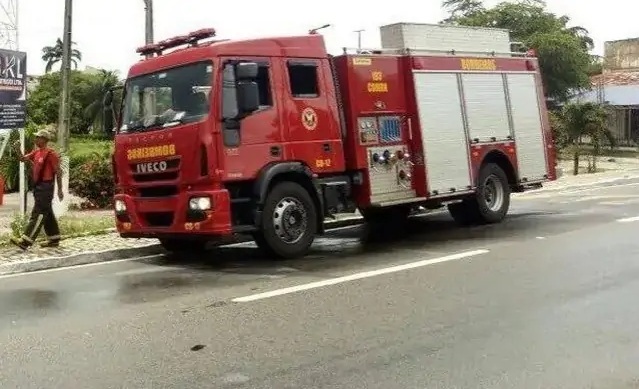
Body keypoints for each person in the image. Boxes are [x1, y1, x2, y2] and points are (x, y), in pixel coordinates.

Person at [10, 128, 64, 250]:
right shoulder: (37, 152)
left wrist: (60, 190)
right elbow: (23, 159)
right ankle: (54, 238)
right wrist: (17, 149)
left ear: (44, 139)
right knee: (47, 212)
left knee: (38, 213)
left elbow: (58, 172)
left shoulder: (51, 154)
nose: (35, 139)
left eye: (37, 137)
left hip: (46, 187)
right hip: (38, 187)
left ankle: (26, 241)